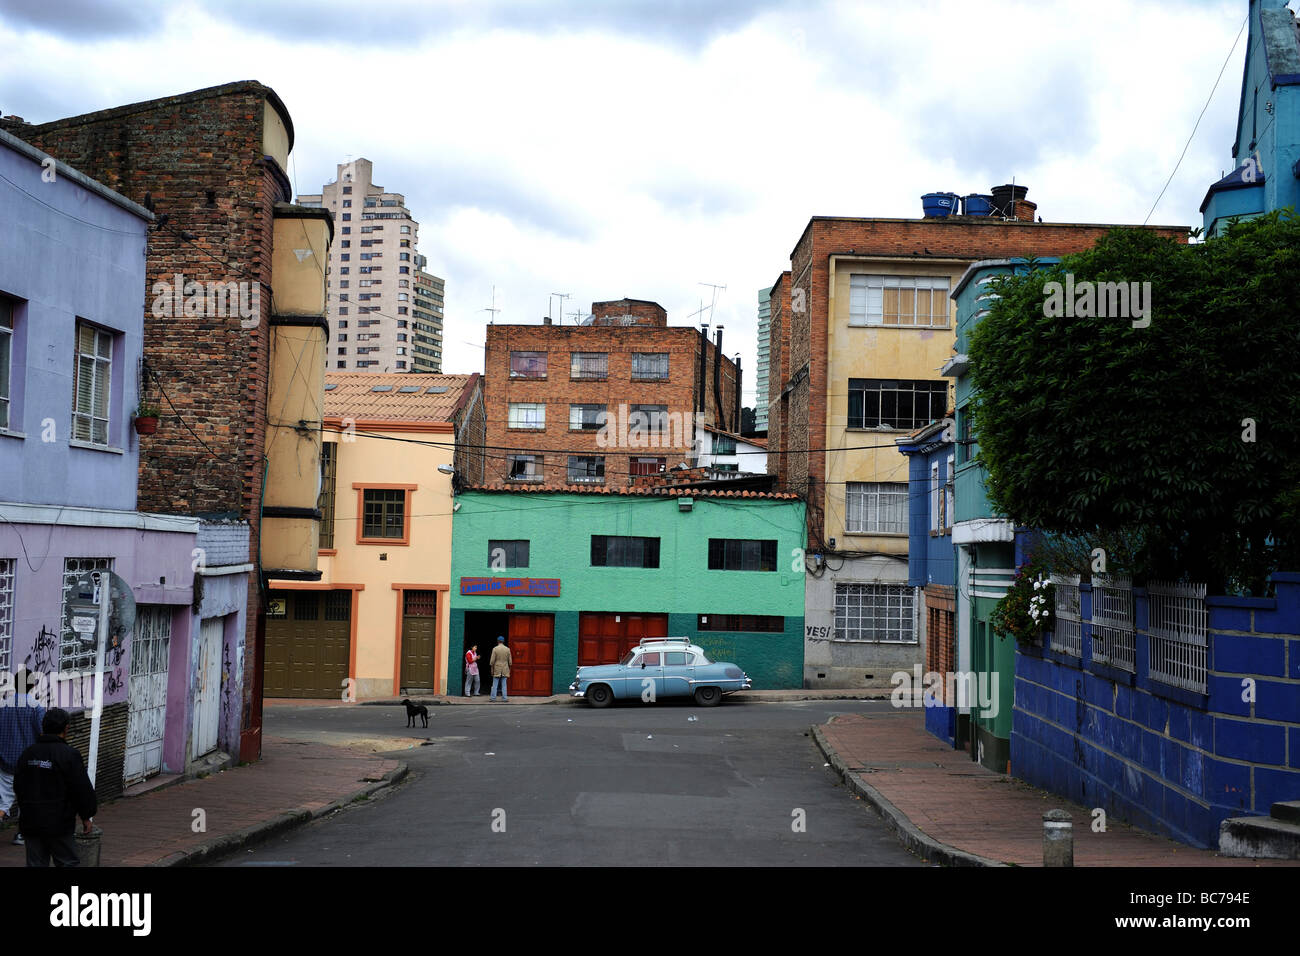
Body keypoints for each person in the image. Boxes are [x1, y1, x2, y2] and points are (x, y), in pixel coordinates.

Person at [14, 708, 97, 867]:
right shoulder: (69, 755)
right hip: (59, 823)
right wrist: (87, 815)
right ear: (66, 728)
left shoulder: (28, 754)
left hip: (31, 821)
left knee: (35, 863)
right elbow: (80, 788)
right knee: (66, 862)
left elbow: (18, 785)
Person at [0, 669, 45, 846]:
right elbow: (42, 735)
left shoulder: (3, 706)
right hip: (28, 763)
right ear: (33, 685)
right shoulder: (36, 708)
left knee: (4, 800)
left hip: (5, 761)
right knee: (26, 800)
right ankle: (21, 834)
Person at [489, 636, 511, 702]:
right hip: (505, 668)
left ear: (497, 641)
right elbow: (510, 662)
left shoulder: (495, 649)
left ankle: (493, 698)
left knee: (495, 684)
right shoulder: (507, 649)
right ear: (503, 641)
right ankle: (504, 698)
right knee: (504, 684)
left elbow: (492, 661)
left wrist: (491, 668)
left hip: (497, 668)